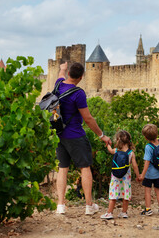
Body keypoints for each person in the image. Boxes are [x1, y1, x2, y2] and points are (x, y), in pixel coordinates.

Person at [55, 62, 112, 215]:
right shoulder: (78, 93)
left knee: (62, 168)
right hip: (75, 135)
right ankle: (89, 206)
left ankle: (60, 205)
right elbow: (88, 119)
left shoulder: (58, 85)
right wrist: (102, 135)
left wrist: (62, 69)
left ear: (68, 74)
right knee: (85, 167)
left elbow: (60, 76)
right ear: (81, 77)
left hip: (59, 134)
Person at [100, 130, 140, 219]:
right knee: (125, 194)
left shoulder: (116, 151)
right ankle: (124, 212)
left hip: (115, 177)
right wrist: (138, 176)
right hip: (126, 178)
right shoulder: (131, 153)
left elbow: (110, 150)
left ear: (118, 140)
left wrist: (108, 144)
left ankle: (109, 213)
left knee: (113, 194)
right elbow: (135, 166)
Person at [139, 124, 159, 216]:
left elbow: (147, 162)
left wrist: (142, 175)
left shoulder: (148, 147)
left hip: (149, 174)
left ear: (145, 137)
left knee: (147, 190)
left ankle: (148, 209)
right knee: (158, 190)